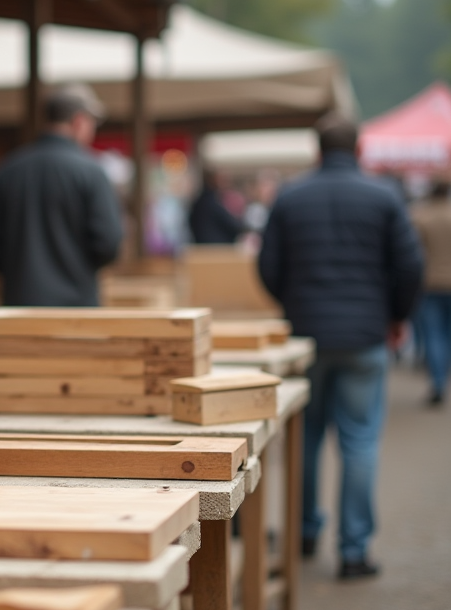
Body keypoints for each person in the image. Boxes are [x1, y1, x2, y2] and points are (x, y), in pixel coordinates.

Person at [258, 119, 424, 580]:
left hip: (306, 336)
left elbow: (267, 265)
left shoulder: (289, 197)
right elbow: (410, 265)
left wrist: (293, 304)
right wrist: (396, 317)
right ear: (359, 147)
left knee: (305, 438)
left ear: (317, 149)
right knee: (360, 440)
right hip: (366, 335)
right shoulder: (384, 196)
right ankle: (354, 551)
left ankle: (304, 534)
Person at [0, 83, 123, 306]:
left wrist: (19, 273)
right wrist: (78, 269)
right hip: (77, 308)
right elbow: (108, 243)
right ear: (79, 122)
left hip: (18, 305)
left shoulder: (6, 170)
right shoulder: (91, 172)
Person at [410, 181, 451, 405]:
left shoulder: (420, 217)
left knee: (433, 335)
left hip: (430, 283)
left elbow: (412, 254)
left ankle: (437, 382)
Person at [188, 169, 244, 243]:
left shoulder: (203, 199)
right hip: (214, 246)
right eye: (222, 179)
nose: (225, 183)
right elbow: (231, 223)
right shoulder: (209, 201)